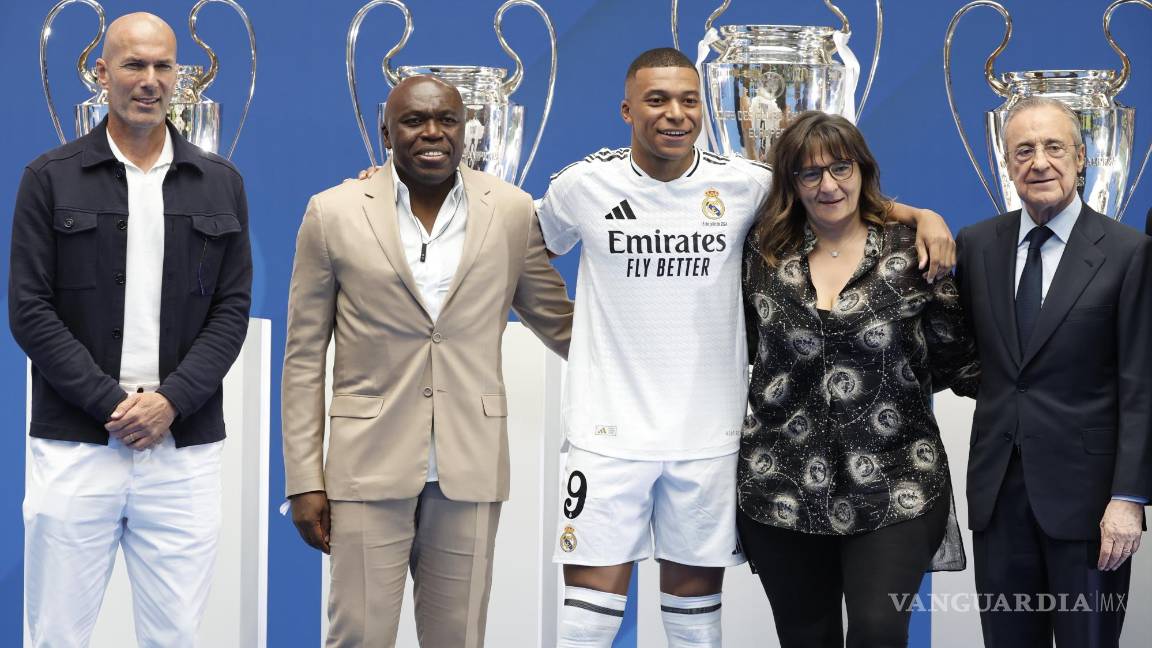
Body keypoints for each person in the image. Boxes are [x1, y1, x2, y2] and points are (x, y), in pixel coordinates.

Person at [535, 47, 957, 648]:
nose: (674, 114)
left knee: (694, 613)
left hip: (710, 435)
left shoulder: (745, 184)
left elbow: (833, 194)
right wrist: (563, 330)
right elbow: (518, 240)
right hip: (606, 434)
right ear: (627, 109)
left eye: (687, 100)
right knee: (588, 619)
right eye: (656, 100)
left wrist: (922, 215)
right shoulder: (582, 184)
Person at [282, 75, 573, 648]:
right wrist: (303, 479)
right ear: (386, 130)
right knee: (359, 636)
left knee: (458, 639)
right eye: (414, 121)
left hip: (470, 462)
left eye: (447, 120)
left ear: (468, 129)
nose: (432, 133)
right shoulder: (332, 211)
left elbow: (561, 322)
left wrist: (650, 354)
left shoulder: (511, 210)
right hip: (366, 464)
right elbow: (303, 358)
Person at [10, 13, 252, 647]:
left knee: (174, 637)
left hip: (183, 451)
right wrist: (115, 405)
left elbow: (232, 311)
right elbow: (30, 310)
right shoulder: (49, 178)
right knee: (55, 635)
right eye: (133, 65)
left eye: (162, 66)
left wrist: (170, 402)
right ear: (102, 74)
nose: (149, 80)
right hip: (76, 447)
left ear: (179, 76)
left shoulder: (221, 183)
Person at [737, 111, 978, 648]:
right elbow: (735, 349)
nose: (828, 186)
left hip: (897, 483)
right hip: (781, 485)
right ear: (791, 184)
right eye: (809, 174)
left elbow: (959, 361)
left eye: (840, 168)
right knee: (806, 638)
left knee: (878, 630)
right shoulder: (760, 252)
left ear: (863, 170)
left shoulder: (910, 250)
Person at [955, 96, 1151, 646]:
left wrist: (1129, 498)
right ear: (1007, 162)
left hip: (1090, 507)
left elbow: (1141, 384)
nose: (1039, 162)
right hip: (998, 500)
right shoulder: (976, 245)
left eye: (1053, 147)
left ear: (1082, 156)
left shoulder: (1128, 252)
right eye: (1024, 150)